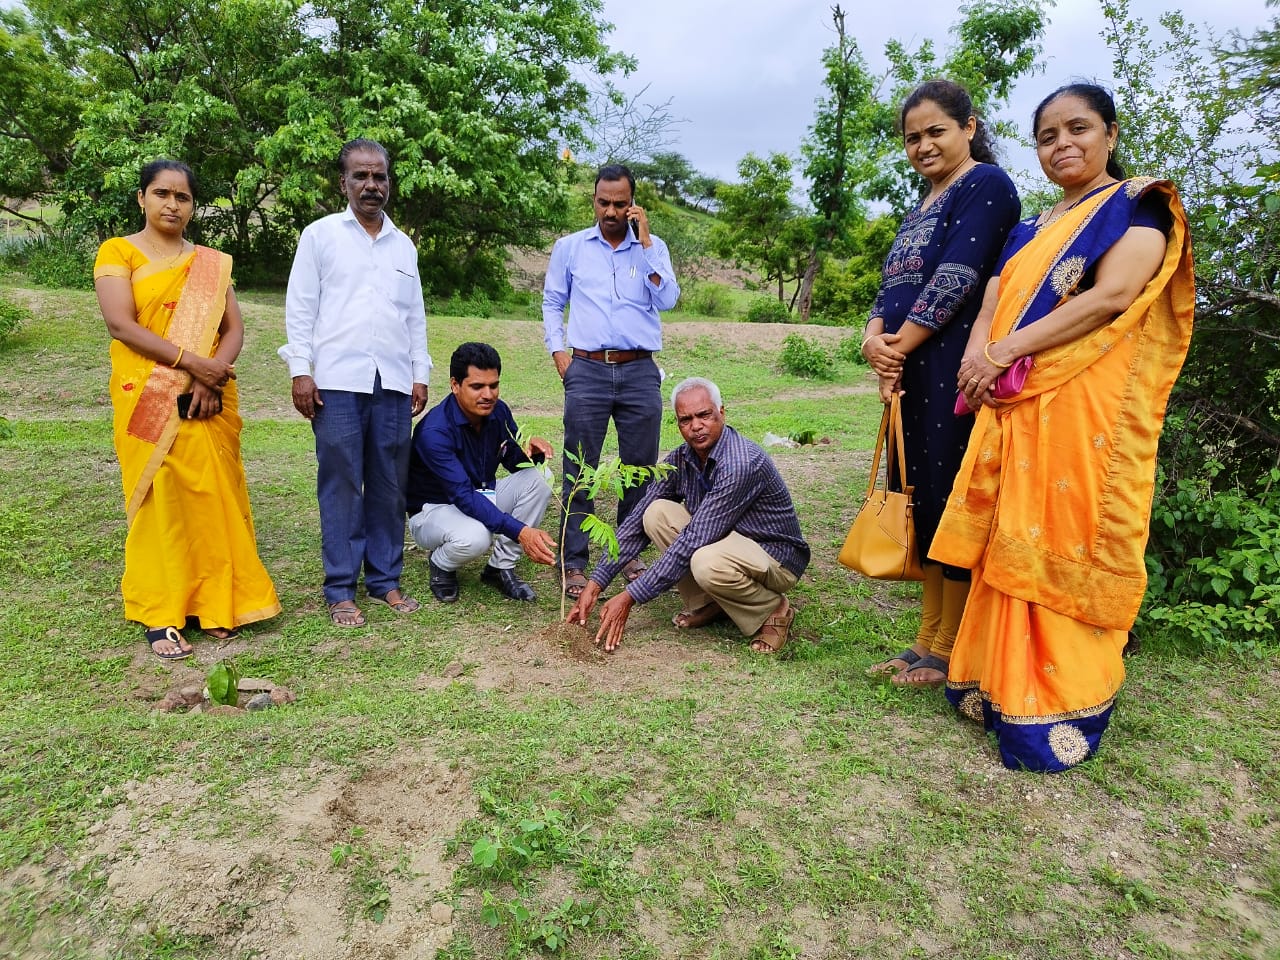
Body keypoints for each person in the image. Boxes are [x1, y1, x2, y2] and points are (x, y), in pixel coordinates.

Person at [931, 83, 1194, 772]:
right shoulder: (1035, 226)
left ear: (1109, 133)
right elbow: (994, 293)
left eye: (1077, 128)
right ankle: (994, 681)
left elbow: (1113, 295)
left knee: (1064, 527)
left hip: (1081, 408)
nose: (1062, 144)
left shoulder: (1134, 205)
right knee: (1011, 530)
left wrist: (1005, 352)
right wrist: (976, 351)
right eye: (1047, 136)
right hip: (1016, 403)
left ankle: (1059, 696)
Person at [860, 80, 1021, 688]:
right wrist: (874, 341)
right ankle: (925, 638)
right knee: (920, 494)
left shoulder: (986, 186)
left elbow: (958, 278)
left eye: (936, 132)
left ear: (969, 128)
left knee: (952, 497)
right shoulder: (919, 205)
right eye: (912, 138)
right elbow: (890, 288)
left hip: (953, 366)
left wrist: (897, 346)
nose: (923, 146)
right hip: (908, 368)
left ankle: (951, 645)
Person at [94, 159, 280, 660]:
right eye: (162, 194)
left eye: (183, 197)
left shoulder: (210, 262)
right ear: (142, 198)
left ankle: (215, 603)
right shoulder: (119, 252)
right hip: (148, 396)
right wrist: (194, 364)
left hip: (207, 395)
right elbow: (121, 324)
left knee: (210, 495)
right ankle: (161, 613)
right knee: (162, 501)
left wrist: (212, 373)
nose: (172, 204)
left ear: (193, 206)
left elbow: (233, 328)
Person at [280, 138, 431, 627]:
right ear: (343, 182)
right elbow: (300, 308)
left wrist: (419, 373)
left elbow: (415, 318)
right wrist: (301, 370)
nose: (371, 185)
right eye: (361, 177)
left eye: (379, 176)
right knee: (342, 483)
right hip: (337, 382)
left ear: (389, 182)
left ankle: (385, 580)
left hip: (392, 382)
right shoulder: (320, 236)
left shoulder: (403, 245)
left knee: (390, 484)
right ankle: (341, 587)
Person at [567, 378, 810, 654]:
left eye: (704, 415)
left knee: (706, 561)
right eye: (686, 420)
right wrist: (597, 582)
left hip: (774, 557)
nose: (696, 426)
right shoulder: (683, 457)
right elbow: (636, 521)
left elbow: (693, 539)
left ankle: (773, 609)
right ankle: (709, 603)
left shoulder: (740, 463)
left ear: (722, 412)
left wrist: (630, 597)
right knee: (654, 513)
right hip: (729, 542)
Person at [542, 163, 680, 600]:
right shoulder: (571, 248)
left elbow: (670, 299)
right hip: (587, 367)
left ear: (634, 204)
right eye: (604, 202)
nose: (611, 210)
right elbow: (552, 300)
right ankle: (574, 561)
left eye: (621, 203)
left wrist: (647, 242)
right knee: (579, 467)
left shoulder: (652, 248)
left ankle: (627, 553)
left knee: (638, 468)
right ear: (594, 201)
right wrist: (558, 352)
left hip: (640, 369)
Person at [406, 342, 557, 603]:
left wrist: (532, 454)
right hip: (433, 511)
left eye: (493, 385)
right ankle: (441, 563)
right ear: (455, 385)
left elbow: (512, 462)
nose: (488, 394)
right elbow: (462, 495)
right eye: (477, 386)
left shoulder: (498, 411)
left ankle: (500, 567)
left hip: (479, 493)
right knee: (476, 536)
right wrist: (521, 531)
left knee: (542, 478)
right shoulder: (434, 432)